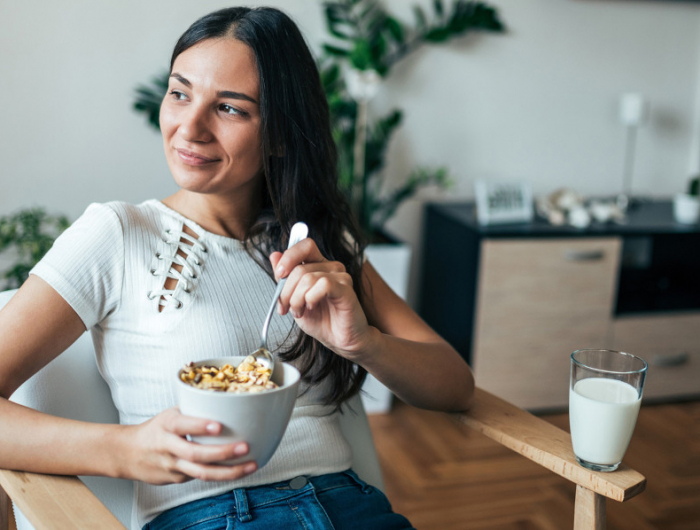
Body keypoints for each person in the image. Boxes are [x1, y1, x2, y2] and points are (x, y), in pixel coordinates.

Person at [0, 6, 474, 530]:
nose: (191, 127)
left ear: (277, 133)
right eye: (179, 93)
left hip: (355, 507)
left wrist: (364, 343)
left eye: (229, 108)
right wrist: (122, 449)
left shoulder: (317, 246)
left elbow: (455, 387)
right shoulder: (119, 234)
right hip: (213, 515)